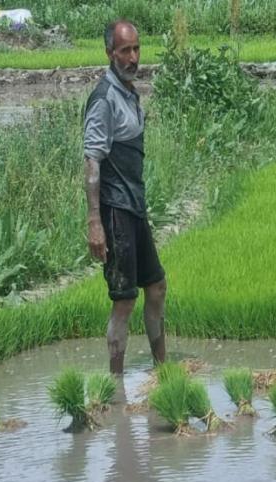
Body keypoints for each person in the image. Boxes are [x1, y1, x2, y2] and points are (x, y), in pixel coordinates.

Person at [83, 20, 167, 375]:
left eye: (136, 49)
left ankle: (162, 369)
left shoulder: (128, 91)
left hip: (135, 206)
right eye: (125, 51)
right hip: (116, 211)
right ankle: (115, 384)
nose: (133, 57)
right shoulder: (104, 99)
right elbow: (92, 162)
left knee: (157, 286)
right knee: (124, 300)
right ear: (109, 54)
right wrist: (94, 223)